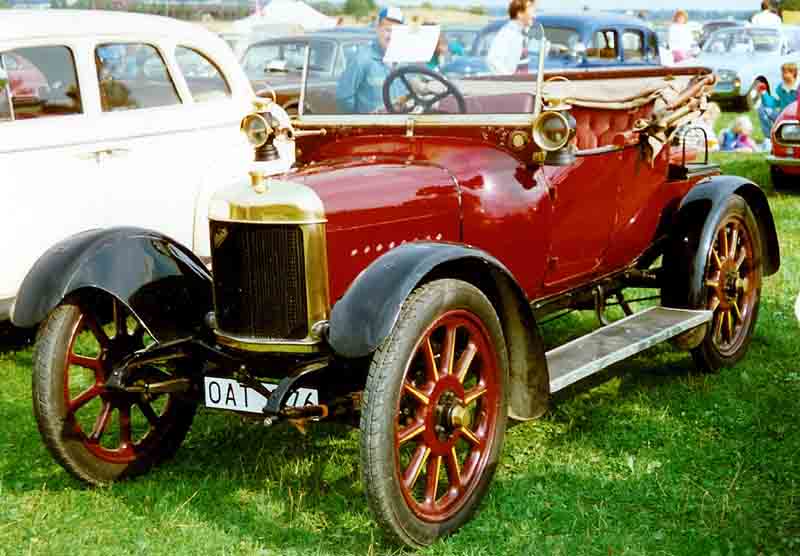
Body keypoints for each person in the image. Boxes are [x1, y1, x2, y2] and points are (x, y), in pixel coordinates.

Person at [335, 6, 404, 114]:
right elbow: (343, 98)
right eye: (388, 30)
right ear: (378, 28)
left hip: (400, 126)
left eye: (396, 31)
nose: (391, 36)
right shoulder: (362, 59)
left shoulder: (404, 62)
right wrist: (361, 122)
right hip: (371, 128)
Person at [487, 0, 536, 76]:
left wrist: (552, 48)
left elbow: (536, 46)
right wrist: (509, 80)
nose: (534, 16)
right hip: (511, 84)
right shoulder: (507, 33)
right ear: (520, 14)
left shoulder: (522, 33)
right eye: (531, 12)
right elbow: (493, 60)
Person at [757, 63, 798, 149]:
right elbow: (773, 103)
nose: (783, 75)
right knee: (762, 109)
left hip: (796, 118)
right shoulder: (781, 87)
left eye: (786, 73)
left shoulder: (798, 87)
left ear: (793, 73)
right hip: (782, 116)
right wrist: (764, 93)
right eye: (782, 72)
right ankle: (769, 138)